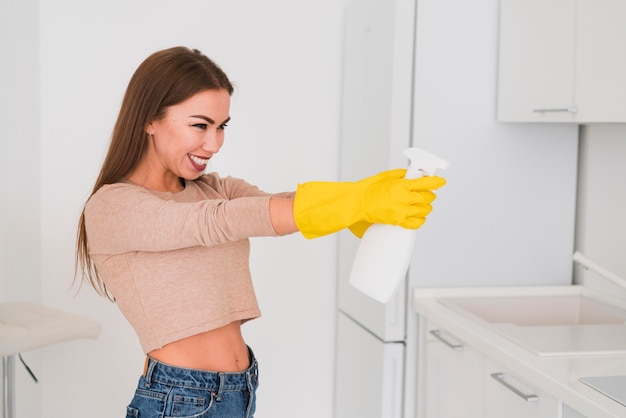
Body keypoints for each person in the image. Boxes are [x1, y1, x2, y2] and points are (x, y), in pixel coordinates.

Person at [75, 46, 445, 418]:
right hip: (180, 397)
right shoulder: (112, 206)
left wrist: (360, 199)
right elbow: (218, 221)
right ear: (149, 119)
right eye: (200, 125)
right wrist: (358, 200)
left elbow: (277, 206)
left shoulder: (215, 188)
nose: (214, 144)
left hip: (239, 390)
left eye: (222, 127)